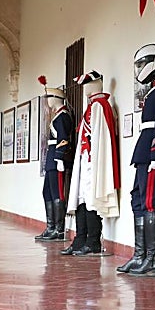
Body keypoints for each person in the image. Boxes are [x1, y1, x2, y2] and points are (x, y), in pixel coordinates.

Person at [118, 44, 155, 275]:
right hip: (144, 153)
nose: (140, 69)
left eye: (143, 63)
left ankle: (152, 259)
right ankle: (140, 254)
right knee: (138, 199)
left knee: (151, 202)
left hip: (153, 153)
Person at [62, 70, 119, 256]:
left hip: (93, 160)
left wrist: (94, 159)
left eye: (87, 84)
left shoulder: (100, 106)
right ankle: (80, 238)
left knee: (91, 198)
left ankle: (93, 240)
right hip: (85, 159)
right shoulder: (92, 106)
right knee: (81, 197)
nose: (85, 88)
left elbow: (100, 137)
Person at [35, 76, 73, 242]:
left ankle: (58, 229)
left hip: (57, 159)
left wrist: (58, 159)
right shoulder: (56, 116)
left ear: (57, 99)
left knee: (58, 194)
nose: (48, 101)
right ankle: (50, 226)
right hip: (51, 158)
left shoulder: (63, 116)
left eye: (49, 97)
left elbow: (63, 139)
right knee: (47, 193)